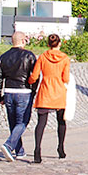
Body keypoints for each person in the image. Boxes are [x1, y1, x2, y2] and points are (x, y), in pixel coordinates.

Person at [0, 31, 37, 162]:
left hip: (8, 91)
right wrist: (34, 92)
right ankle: (8, 145)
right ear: (23, 40)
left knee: (13, 123)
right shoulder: (29, 56)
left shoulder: (3, 57)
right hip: (24, 92)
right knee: (23, 122)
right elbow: (35, 76)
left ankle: (20, 151)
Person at [28, 34, 70, 163]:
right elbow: (66, 78)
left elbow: (34, 76)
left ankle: (37, 149)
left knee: (41, 123)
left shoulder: (42, 57)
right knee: (61, 121)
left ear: (47, 44)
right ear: (60, 43)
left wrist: (29, 81)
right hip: (59, 92)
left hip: (45, 91)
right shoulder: (65, 59)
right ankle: (61, 148)